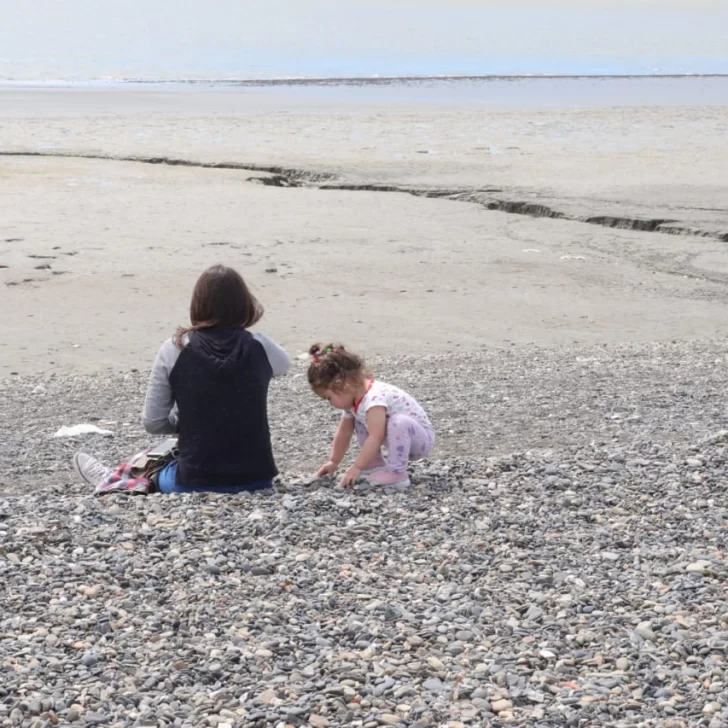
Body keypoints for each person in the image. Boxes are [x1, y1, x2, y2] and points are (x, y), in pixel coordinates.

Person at [73, 264, 289, 493]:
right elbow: (283, 365)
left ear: (198, 303)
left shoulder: (174, 348)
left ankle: (112, 478)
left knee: (152, 461)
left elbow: (153, 422)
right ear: (245, 304)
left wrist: (184, 423)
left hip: (196, 480)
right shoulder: (261, 346)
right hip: (256, 479)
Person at [308, 343, 435, 488]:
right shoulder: (354, 402)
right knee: (360, 421)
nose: (330, 404)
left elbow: (376, 436)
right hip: (399, 441)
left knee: (398, 422)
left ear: (343, 385)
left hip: (419, 441)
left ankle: (397, 473)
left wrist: (357, 467)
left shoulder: (374, 399)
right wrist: (334, 461)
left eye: (328, 398)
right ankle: (374, 464)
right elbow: (344, 432)